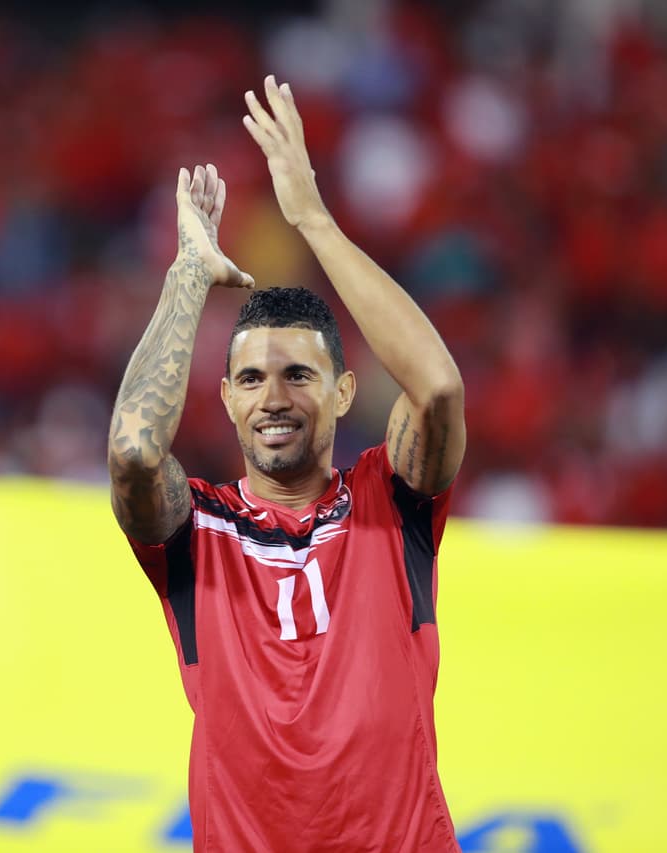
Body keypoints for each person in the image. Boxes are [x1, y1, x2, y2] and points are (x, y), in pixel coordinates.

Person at [107, 75, 466, 852]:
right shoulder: (195, 528)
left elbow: (436, 388)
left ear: (342, 391)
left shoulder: (388, 498)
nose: (273, 396)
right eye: (250, 379)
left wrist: (311, 218)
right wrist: (187, 276)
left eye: (298, 375)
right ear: (227, 400)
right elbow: (135, 449)